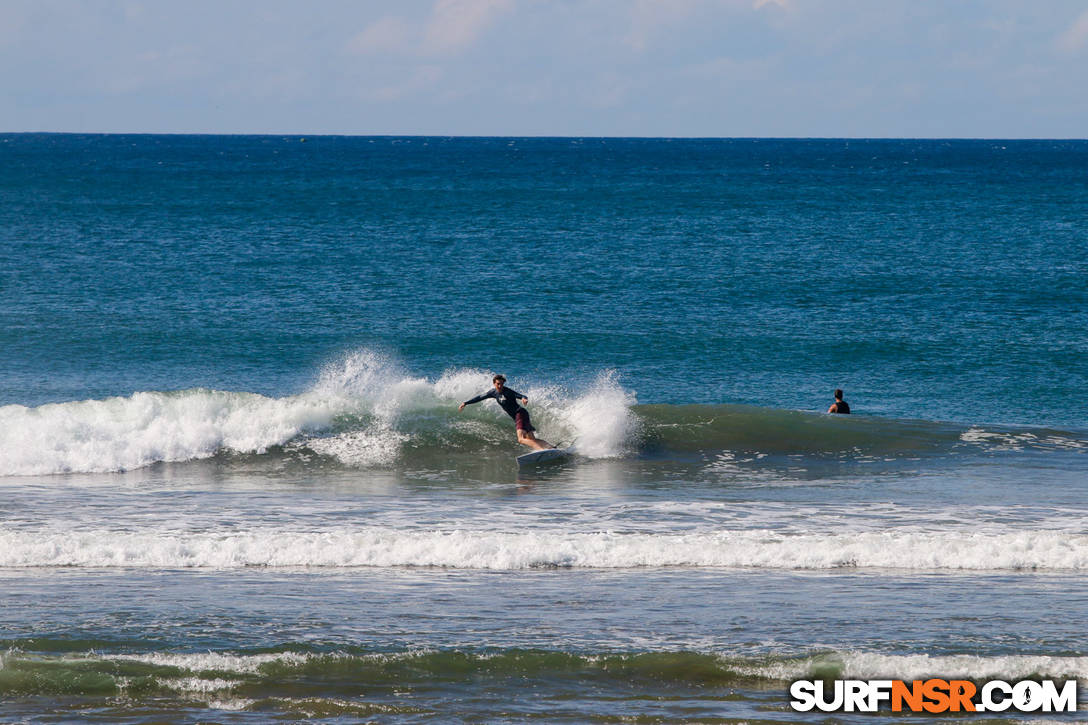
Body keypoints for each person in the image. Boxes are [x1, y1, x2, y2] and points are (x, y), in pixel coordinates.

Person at [459, 374, 554, 451]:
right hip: (521, 414)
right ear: (494, 384)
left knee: (520, 439)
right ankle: (551, 448)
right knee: (531, 439)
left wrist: (524, 399)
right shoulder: (492, 393)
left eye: (501, 384)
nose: (500, 386)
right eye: (498, 384)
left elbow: (521, 395)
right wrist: (466, 403)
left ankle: (541, 450)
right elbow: (479, 397)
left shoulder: (508, 391)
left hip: (520, 414)